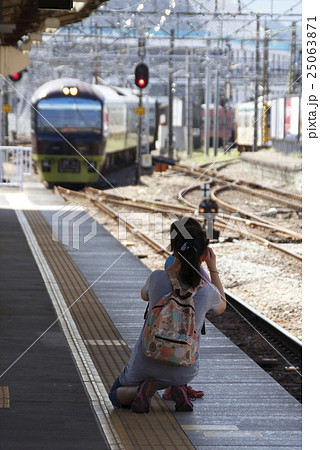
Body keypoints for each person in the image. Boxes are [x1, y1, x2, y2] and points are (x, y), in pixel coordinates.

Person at [108, 218, 226, 413]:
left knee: (115, 394)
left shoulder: (157, 278)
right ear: (205, 256)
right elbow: (222, 305)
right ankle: (178, 386)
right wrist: (213, 268)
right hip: (184, 369)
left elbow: (143, 295)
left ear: (174, 252)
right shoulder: (207, 291)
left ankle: (142, 389)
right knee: (177, 376)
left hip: (145, 362)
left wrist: (171, 268)